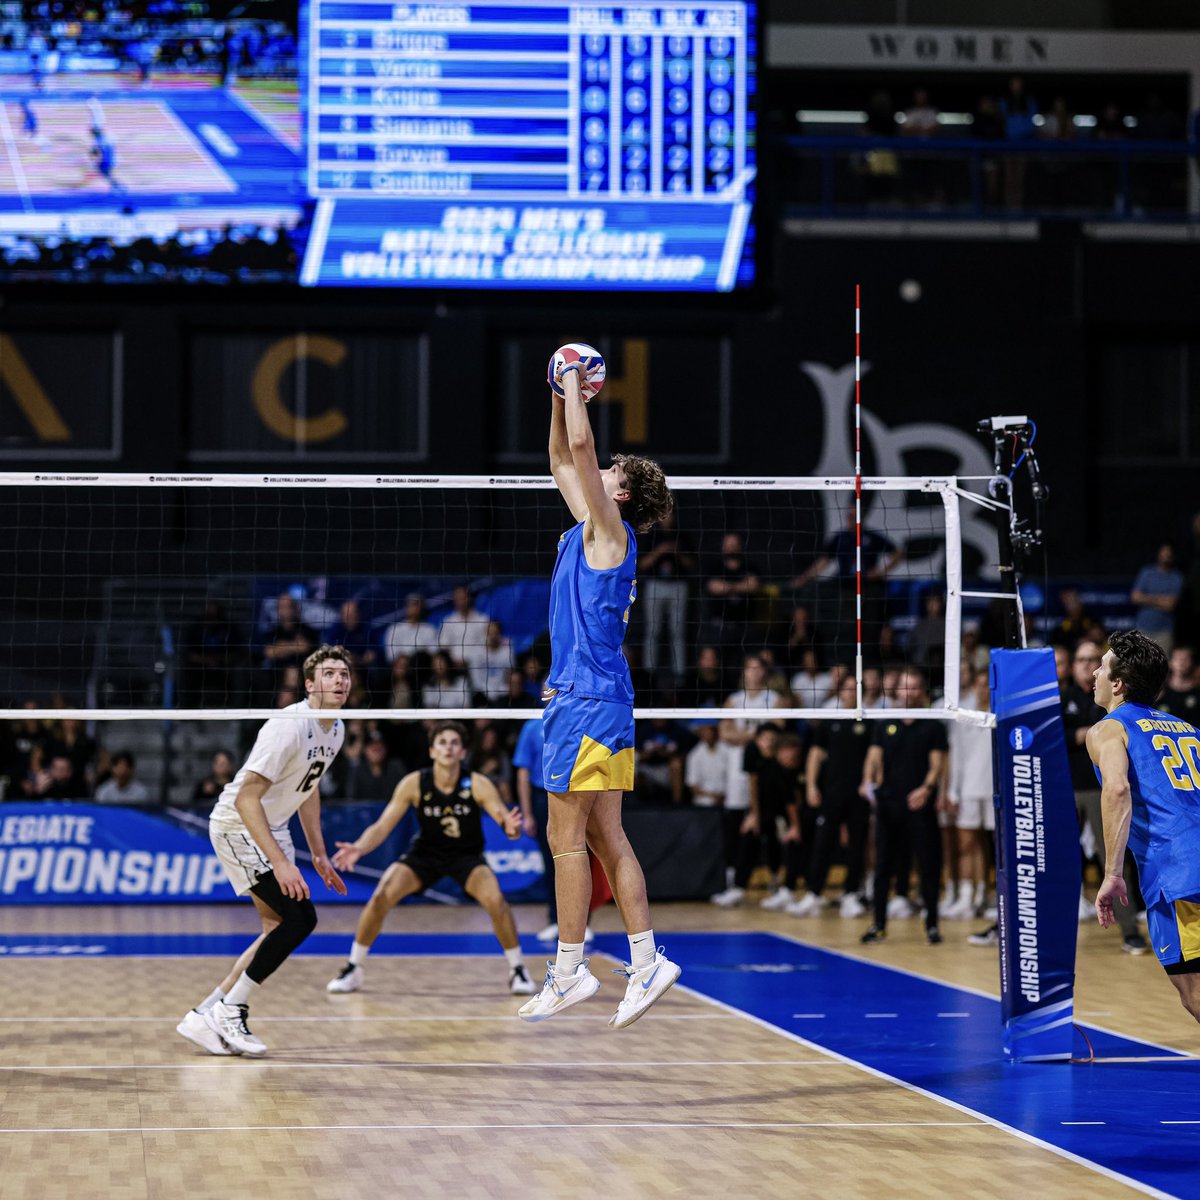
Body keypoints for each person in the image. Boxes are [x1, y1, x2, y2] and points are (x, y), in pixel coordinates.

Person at [518, 352, 679, 1027]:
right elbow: (561, 454)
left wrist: (578, 383)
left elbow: (581, 444)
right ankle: (647, 961)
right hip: (605, 702)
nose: (598, 468)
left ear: (619, 494)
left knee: (566, 840)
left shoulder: (610, 533)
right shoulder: (593, 526)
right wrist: (560, 391)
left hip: (582, 702)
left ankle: (568, 969)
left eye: (611, 472)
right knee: (610, 836)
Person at [176, 646, 350, 1057]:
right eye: (329, 674)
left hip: (272, 827)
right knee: (300, 917)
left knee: (278, 928)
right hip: (240, 825)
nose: (340, 680)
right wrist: (281, 862)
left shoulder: (336, 728)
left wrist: (319, 854)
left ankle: (204, 1015)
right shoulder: (287, 727)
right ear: (309, 685)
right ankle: (232, 1008)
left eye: (344, 674)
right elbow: (245, 800)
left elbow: (308, 790)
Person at [327, 720, 533, 996]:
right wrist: (359, 848)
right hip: (425, 854)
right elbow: (382, 826)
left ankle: (517, 970)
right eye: (442, 742)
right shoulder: (414, 783)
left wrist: (511, 828)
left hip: (466, 856)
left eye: (454, 743)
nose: (448, 748)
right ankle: (354, 967)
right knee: (380, 896)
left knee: (496, 900)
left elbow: (503, 819)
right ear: (432, 751)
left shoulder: (477, 784)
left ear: (462, 752)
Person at [1089, 631, 1200, 1023]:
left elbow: (1117, 789)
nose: (1094, 672)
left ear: (1117, 684)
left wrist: (1112, 873)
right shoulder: (1188, 729)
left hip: (1179, 875)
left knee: (1195, 995)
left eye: (1102, 666)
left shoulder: (1108, 728)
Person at [859, 668, 948, 945]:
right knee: (883, 865)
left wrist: (927, 788)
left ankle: (932, 923)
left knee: (928, 866)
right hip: (889, 803)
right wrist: (867, 782)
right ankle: (879, 924)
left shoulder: (932, 724)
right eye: (904, 687)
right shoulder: (885, 721)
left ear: (922, 691)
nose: (908, 692)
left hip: (918, 805)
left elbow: (937, 763)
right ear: (896, 691)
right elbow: (874, 756)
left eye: (914, 687)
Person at [790, 675, 872, 918]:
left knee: (857, 846)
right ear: (840, 692)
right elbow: (815, 755)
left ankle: (851, 894)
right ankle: (814, 893)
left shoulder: (869, 721)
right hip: (832, 793)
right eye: (846, 689)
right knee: (823, 843)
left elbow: (875, 757)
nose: (850, 693)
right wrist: (811, 786)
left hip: (859, 795)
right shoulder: (830, 720)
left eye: (854, 689)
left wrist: (870, 784)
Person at [1131, 542, 1183, 654]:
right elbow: (1135, 597)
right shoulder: (1146, 573)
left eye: (1168, 554)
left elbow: (1170, 605)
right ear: (1158, 554)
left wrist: (1146, 598)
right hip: (1143, 627)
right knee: (1139, 664)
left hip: (1164, 631)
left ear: (1173, 556)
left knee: (1163, 666)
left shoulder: (1177, 577)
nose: (1166, 557)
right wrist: (1160, 599)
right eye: (1164, 553)